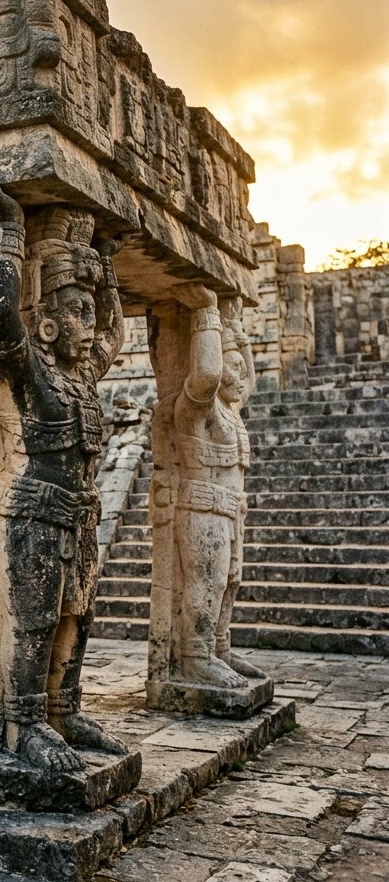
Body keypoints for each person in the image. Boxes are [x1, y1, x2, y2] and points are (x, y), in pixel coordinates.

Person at [0, 171, 127, 773]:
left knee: (76, 615)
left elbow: (114, 330)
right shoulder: (32, 373)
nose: (89, 324)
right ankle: (26, 722)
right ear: (51, 322)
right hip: (35, 511)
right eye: (76, 311)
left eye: (88, 311)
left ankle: (66, 709)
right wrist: (6, 232)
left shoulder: (84, 379)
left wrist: (102, 266)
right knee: (35, 620)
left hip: (80, 515)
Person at [172, 285, 265, 688]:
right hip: (202, 509)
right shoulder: (197, 405)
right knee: (206, 580)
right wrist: (207, 314)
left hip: (231, 510)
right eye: (233, 366)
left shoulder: (231, 411)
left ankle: (220, 648)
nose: (240, 374)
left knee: (230, 580)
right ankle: (196, 657)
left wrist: (236, 322)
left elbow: (250, 379)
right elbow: (209, 374)